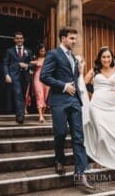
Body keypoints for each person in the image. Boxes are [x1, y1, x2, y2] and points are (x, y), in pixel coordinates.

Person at [40, 26, 94, 190]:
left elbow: (76, 79)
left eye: (75, 38)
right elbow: (44, 76)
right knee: (61, 132)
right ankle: (59, 160)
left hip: (74, 101)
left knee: (79, 136)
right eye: (71, 38)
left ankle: (80, 173)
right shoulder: (53, 54)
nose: (74, 41)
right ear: (62, 38)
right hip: (59, 100)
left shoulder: (74, 57)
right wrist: (63, 86)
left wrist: (78, 73)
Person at [82, 46, 115, 187]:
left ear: (112, 58)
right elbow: (83, 83)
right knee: (101, 135)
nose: (106, 59)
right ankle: (101, 159)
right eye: (103, 57)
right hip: (96, 106)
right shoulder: (95, 70)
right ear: (100, 58)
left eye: (108, 57)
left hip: (112, 107)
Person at [3, 31, 33, 124]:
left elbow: (32, 64)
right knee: (18, 94)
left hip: (25, 76)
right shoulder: (10, 51)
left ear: (23, 40)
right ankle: (20, 116)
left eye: (21, 38)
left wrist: (27, 66)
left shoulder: (28, 51)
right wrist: (7, 75)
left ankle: (20, 114)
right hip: (14, 76)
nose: (19, 40)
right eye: (17, 38)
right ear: (14, 39)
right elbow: (5, 64)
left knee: (23, 95)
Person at [30, 43, 49, 122]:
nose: (43, 52)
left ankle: (43, 115)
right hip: (37, 78)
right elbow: (30, 64)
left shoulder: (48, 59)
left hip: (47, 79)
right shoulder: (35, 58)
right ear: (38, 51)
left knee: (46, 96)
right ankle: (40, 115)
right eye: (41, 51)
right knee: (39, 95)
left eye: (44, 51)